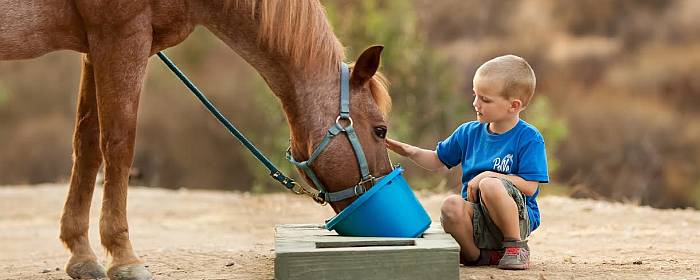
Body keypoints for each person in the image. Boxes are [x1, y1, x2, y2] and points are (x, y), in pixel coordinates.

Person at [386, 55, 549, 270]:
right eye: (475, 95)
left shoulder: (528, 138)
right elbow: (437, 160)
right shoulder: (468, 132)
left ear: (513, 105)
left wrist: (486, 176)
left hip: (516, 218)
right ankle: (477, 256)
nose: (475, 103)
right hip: (476, 217)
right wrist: (408, 151)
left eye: (485, 99)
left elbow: (529, 187)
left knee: (489, 184)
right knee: (450, 205)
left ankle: (515, 247)